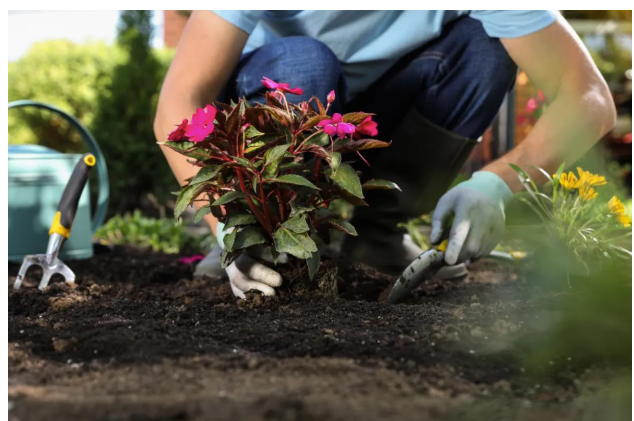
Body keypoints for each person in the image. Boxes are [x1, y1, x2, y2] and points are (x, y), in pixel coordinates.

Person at [154, 10, 616, 298]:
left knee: (486, 45)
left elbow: (590, 97)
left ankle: (378, 231)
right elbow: (176, 104)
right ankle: (264, 239)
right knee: (304, 63)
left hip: (380, 120)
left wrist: (495, 184)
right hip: (287, 98)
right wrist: (230, 225)